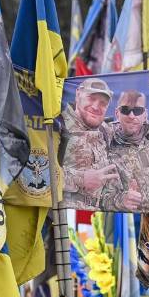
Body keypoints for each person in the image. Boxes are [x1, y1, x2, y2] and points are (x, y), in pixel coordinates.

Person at [108, 90, 149, 212]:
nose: (132, 115)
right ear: (117, 113)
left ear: (145, 114)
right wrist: (121, 200)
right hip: (128, 217)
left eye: (137, 110)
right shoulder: (105, 138)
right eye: (125, 110)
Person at [61, 78, 117, 209]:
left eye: (103, 103)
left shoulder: (104, 129)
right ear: (78, 94)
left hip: (96, 218)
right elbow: (37, 171)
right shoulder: (58, 126)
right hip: (61, 220)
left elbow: (133, 125)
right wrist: (81, 179)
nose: (96, 106)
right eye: (91, 98)